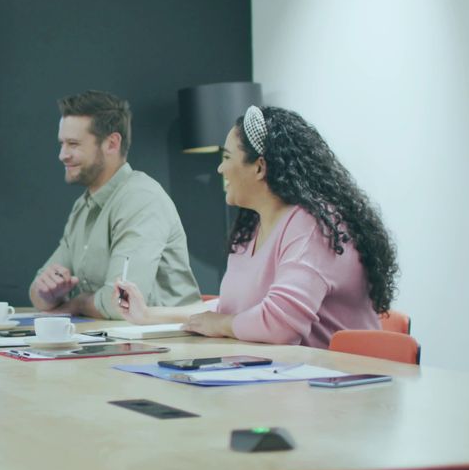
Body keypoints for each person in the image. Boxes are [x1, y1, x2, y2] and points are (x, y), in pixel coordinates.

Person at [115, 106, 398, 348]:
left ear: (260, 167)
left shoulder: (312, 225)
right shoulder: (253, 227)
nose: (219, 169)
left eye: (226, 158)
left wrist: (223, 324)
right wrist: (148, 314)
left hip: (339, 391)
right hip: (291, 383)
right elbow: (232, 309)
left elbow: (279, 323)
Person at [29, 90, 201, 319]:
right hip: (115, 342)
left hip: (168, 347)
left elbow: (122, 303)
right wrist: (49, 295)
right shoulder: (83, 206)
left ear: (111, 143)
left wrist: (78, 303)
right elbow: (36, 291)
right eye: (62, 143)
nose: (62, 155)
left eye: (73, 144)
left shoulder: (141, 198)